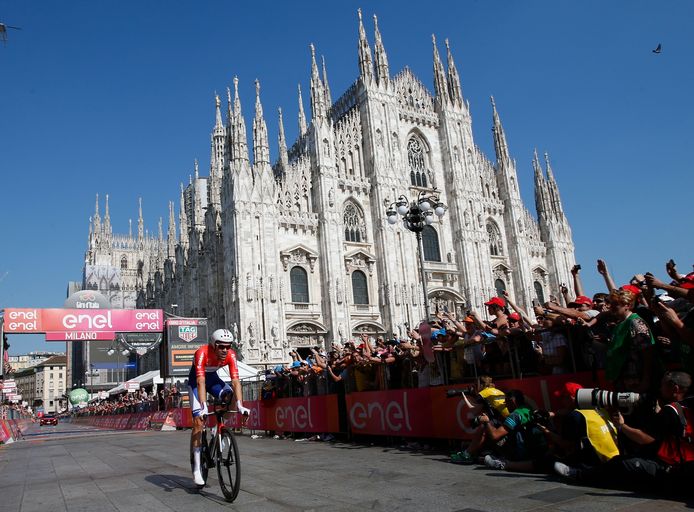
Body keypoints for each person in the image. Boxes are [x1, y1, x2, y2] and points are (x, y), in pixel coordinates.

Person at [189, 328, 250, 486]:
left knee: (230, 394)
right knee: (198, 422)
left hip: (213, 381)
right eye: (221, 346)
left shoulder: (231, 355)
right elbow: (201, 381)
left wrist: (240, 405)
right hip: (196, 383)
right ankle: (196, 468)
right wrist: (203, 406)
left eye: (228, 346)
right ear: (213, 345)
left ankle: (219, 428)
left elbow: (236, 382)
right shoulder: (202, 352)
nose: (224, 350)